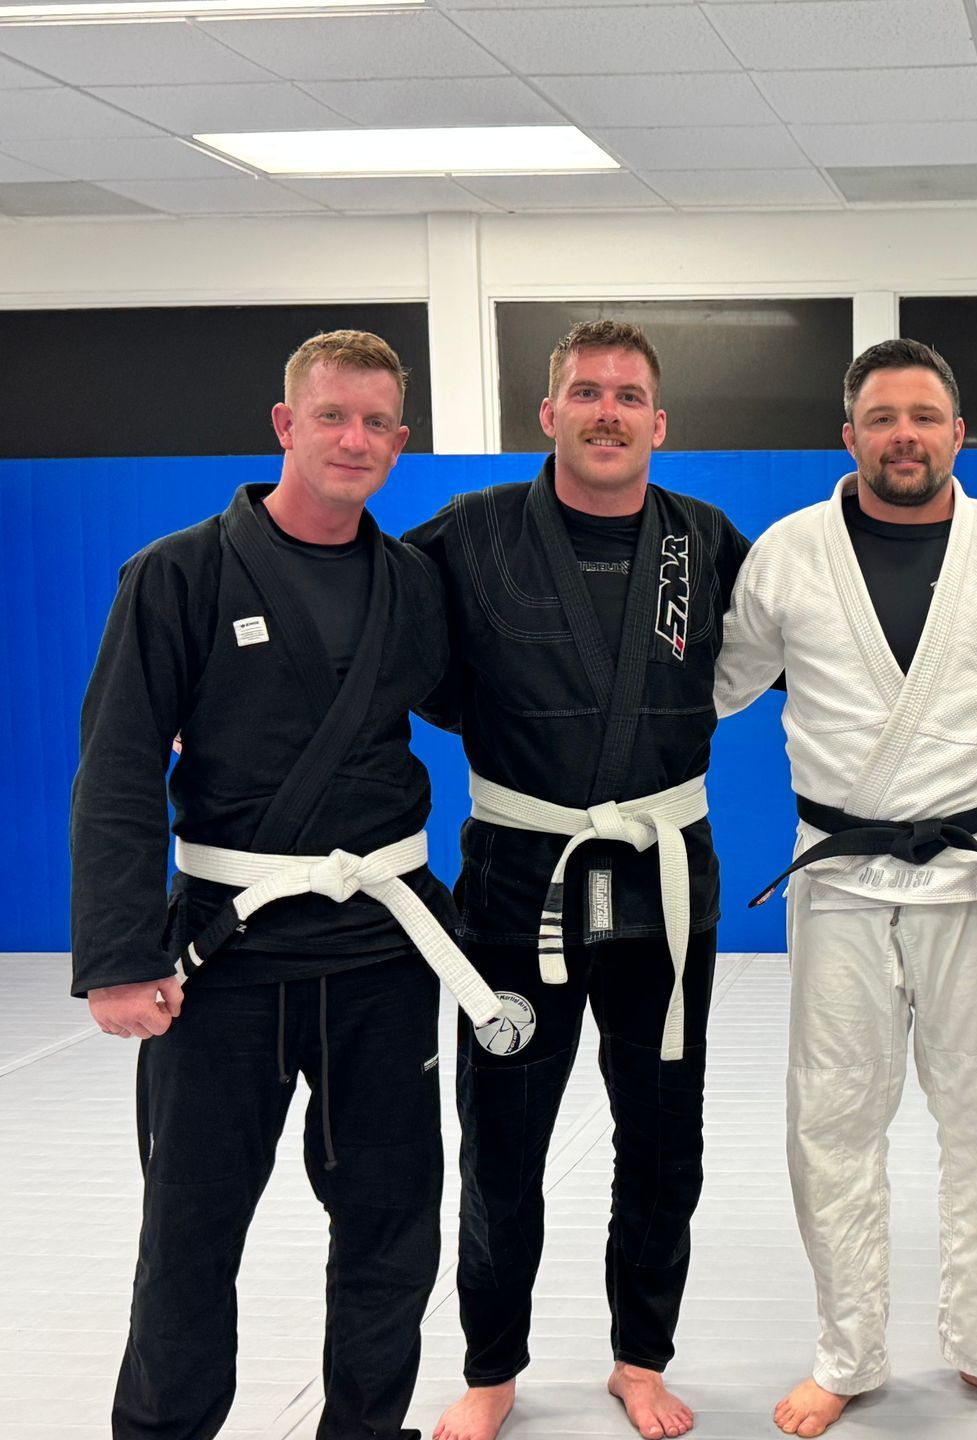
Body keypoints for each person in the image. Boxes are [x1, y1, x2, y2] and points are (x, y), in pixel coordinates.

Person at [72, 329, 495, 1440]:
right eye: (331, 416)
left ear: (400, 442)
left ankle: (364, 1428)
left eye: (376, 423)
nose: (354, 439)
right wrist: (119, 957)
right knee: (189, 1234)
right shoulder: (178, 575)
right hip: (223, 958)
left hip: (379, 957)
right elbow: (117, 768)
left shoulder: (415, 584)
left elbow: (483, 702)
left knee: (394, 1227)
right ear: (285, 424)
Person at [714, 338, 977, 1436]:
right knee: (832, 1118)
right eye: (882, 418)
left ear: (958, 434)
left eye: (925, 417)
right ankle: (848, 1352)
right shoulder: (787, 556)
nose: (904, 437)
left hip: (976, 875)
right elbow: (705, 687)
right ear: (848, 436)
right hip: (839, 879)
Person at [407, 320, 751, 1440]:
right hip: (519, 880)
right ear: (548, 412)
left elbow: (804, 648)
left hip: (665, 887)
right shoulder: (468, 533)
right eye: (587, 393)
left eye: (629, 395)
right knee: (501, 1137)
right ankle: (492, 1366)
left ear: (660, 422)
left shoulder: (706, 542)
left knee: (664, 1135)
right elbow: (368, 629)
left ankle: (639, 1358)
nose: (609, 412)